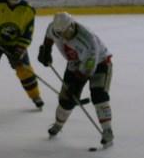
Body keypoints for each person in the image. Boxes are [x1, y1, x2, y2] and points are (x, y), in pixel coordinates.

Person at [37, 12, 114, 147]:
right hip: (75, 62)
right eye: (60, 34)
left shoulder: (88, 41)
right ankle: (58, 124)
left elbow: (88, 69)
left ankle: (107, 130)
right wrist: (46, 50)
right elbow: (49, 36)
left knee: (99, 95)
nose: (64, 37)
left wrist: (75, 86)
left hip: (100, 62)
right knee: (66, 100)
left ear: (72, 25)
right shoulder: (55, 28)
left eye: (66, 32)